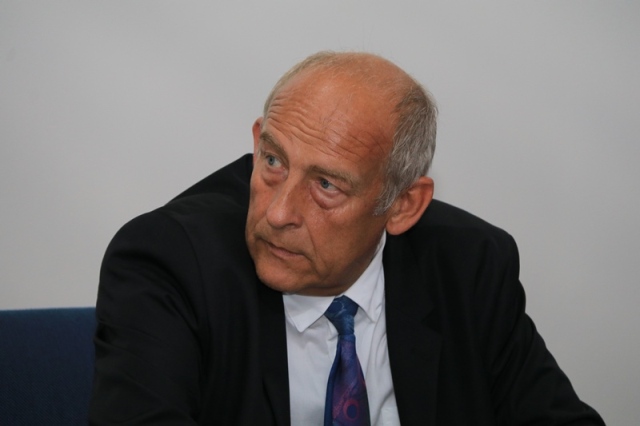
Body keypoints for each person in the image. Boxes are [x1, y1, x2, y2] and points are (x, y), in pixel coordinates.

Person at [89, 51, 604, 425]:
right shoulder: (169, 262)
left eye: (327, 186)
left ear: (403, 205)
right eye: (273, 161)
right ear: (257, 141)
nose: (278, 212)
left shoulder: (469, 267)